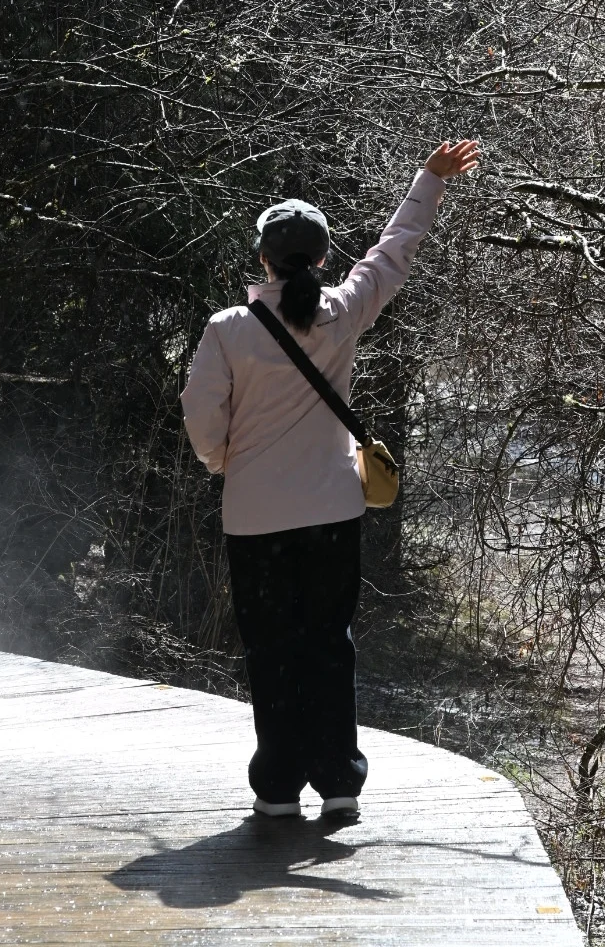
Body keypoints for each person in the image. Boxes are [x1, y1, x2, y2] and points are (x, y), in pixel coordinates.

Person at [180, 140, 480, 820]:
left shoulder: (228, 330)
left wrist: (222, 462)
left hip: (253, 518)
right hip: (332, 514)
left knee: (270, 648)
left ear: (262, 257)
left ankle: (277, 788)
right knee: (328, 644)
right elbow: (392, 252)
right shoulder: (340, 314)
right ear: (321, 258)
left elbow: (201, 415)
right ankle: (339, 780)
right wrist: (428, 179)